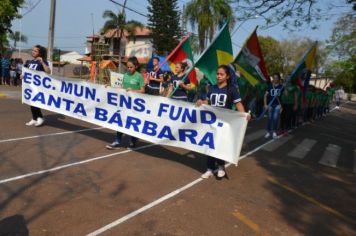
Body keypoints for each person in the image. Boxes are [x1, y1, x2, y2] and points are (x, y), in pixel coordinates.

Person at [196, 65, 251, 179]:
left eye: (221, 74)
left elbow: (238, 104)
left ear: (227, 76)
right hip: (212, 121)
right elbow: (207, 101)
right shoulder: (211, 88)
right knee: (210, 144)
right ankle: (209, 168)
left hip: (224, 122)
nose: (218, 76)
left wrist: (245, 114)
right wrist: (202, 102)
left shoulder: (232, 89)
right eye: (217, 74)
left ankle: (221, 166)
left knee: (220, 145)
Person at [106, 56, 145, 150]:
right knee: (121, 121)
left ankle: (133, 141)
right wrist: (110, 87)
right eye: (128, 67)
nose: (129, 69)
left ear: (136, 66)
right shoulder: (125, 75)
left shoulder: (139, 76)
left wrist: (134, 90)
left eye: (131, 67)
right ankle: (117, 140)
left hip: (135, 105)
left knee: (132, 122)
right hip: (124, 103)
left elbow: (142, 90)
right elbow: (122, 88)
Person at [25, 45, 51, 127]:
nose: (33, 52)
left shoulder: (43, 61)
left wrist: (42, 62)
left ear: (40, 53)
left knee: (36, 102)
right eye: (32, 50)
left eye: (35, 51)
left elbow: (48, 71)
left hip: (39, 87)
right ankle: (34, 118)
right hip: (30, 86)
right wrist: (23, 75)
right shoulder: (31, 62)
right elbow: (27, 72)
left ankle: (40, 117)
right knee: (31, 102)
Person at [263, 73, 283, 139]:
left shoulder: (281, 87)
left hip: (278, 105)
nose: (275, 79)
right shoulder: (270, 86)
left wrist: (281, 106)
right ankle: (268, 131)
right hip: (270, 105)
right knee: (269, 118)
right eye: (274, 78)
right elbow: (265, 95)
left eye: (276, 78)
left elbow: (285, 96)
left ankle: (274, 131)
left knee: (275, 118)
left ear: (279, 79)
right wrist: (265, 104)